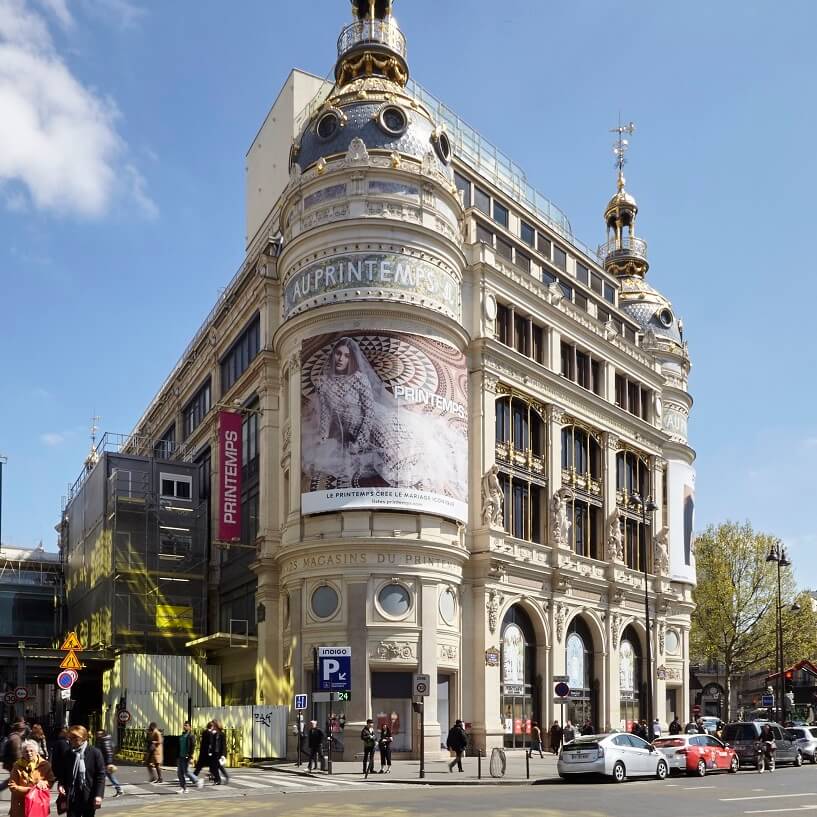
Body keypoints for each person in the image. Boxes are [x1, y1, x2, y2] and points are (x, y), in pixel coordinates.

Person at [56, 725, 105, 817]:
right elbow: (64, 772)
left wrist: (98, 795)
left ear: (83, 737)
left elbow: (100, 776)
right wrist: (61, 784)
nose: (71, 740)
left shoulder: (94, 752)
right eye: (70, 737)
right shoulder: (68, 753)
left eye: (75, 737)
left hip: (89, 795)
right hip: (72, 795)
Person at [8, 739, 55, 817]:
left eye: (31, 751)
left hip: (37, 804)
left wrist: (43, 783)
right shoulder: (17, 765)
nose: (29, 753)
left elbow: (51, 781)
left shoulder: (45, 765)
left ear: (36, 752)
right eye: (26, 751)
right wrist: (31, 790)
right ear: (22, 753)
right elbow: (12, 786)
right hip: (20, 805)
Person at [95, 729, 124, 798]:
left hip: (105, 763)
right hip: (103, 762)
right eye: (97, 734)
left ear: (103, 734)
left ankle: (119, 790)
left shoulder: (105, 741)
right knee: (106, 777)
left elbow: (108, 753)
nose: (98, 735)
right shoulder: (102, 740)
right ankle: (119, 790)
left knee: (105, 777)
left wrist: (109, 763)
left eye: (100, 734)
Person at [176, 722, 202, 793]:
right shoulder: (181, 736)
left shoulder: (191, 736)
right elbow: (179, 747)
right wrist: (177, 756)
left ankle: (197, 780)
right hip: (180, 757)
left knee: (186, 772)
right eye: (184, 725)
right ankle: (183, 788)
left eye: (186, 725)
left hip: (186, 757)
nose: (185, 727)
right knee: (179, 773)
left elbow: (192, 747)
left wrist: (190, 757)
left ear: (190, 727)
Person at [0, 722, 25, 793]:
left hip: (10, 762)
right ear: (21, 730)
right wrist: (20, 763)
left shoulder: (13, 736)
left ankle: (19, 794)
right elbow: (16, 752)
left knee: (14, 779)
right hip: (12, 763)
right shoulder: (16, 738)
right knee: (16, 779)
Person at [210, 720, 229, 785]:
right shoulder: (214, 734)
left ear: (217, 726)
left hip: (220, 753)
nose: (213, 727)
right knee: (215, 767)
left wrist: (223, 754)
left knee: (217, 767)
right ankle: (219, 779)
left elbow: (224, 745)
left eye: (214, 726)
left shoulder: (222, 734)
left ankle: (219, 779)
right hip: (215, 753)